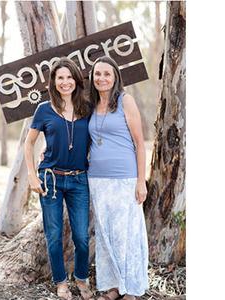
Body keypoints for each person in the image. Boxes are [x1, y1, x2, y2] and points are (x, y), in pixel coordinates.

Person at [24, 57, 94, 300]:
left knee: (81, 237)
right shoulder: (43, 109)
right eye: (60, 78)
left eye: (69, 77)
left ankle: (82, 278)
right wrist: (32, 176)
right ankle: (61, 281)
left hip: (79, 180)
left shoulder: (87, 107)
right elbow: (29, 142)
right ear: (53, 82)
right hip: (50, 179)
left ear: (76, 79)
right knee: (53, 235)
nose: (65, 82)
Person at [87, 56, 149, 300]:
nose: (102, 78)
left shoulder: (126, 100)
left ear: (115, 78)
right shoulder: (91, 105)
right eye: (98, 74)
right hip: (97, 180)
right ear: (93, 78)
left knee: (127, 235)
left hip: (124, 178)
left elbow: (140, 144)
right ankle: (113, 287)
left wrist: (140, 180)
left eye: (107, 74)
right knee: (105, 236)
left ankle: (130, 289)